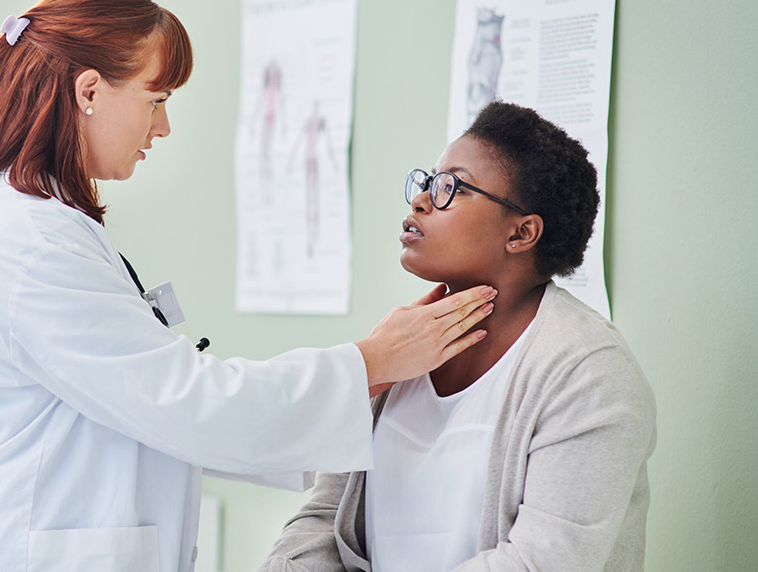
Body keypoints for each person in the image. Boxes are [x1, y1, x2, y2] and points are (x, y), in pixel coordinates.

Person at [0, 0, 497, 572]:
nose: (163, 126)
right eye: (156, 99)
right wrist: (373, 361)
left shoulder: (39, 225)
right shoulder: (32, 244)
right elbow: (186, 402)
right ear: (89, 89)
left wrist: (368, 374)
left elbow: (166, 405)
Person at [259, 101, 657, 572]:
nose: (421, 200)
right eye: (428, 181)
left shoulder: (589, 374)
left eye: (452, 187)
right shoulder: (398, 346)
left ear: (522, 233)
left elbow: (540, 562)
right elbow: (326, 519)